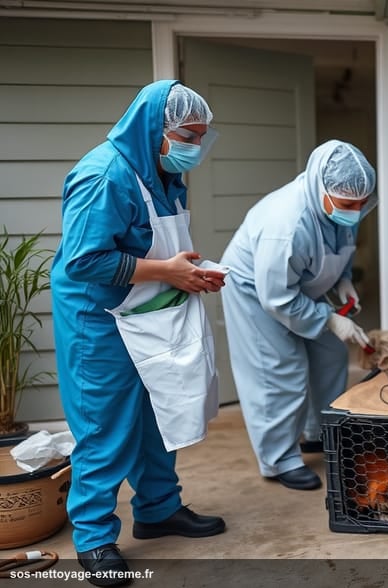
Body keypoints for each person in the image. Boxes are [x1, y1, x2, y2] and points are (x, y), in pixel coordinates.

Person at [52, 80, 228, 585]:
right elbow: (86, 261)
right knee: (105, 427)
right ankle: (94, 538)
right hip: (98, 320)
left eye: (200, 137)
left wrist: (188, 273)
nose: (195, 147)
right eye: (188, 136)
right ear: (156, 131)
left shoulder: (162, 171)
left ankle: (157, 509)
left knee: (158, 411)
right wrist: (169, 272)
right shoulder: (104, 176)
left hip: (146, 309)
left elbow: (154, 246)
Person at [220, 140, 376, 491]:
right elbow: (277, 297)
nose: (356, 210)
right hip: (257, 294)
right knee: (280, 369)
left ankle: (317, 433)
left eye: (361, 204)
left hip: (303, 287)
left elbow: (341, 242)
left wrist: (344, 280)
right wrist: (331, 319)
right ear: (321, 188)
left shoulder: (342, 203)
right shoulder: (286, 225)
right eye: (348, 204)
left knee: (331, 354)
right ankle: (279, 460)